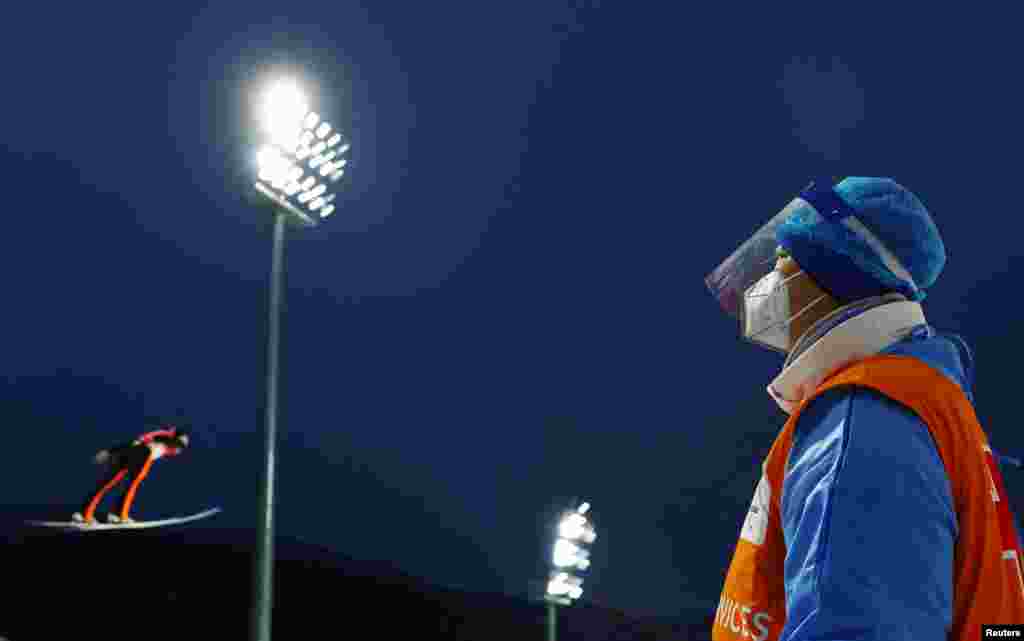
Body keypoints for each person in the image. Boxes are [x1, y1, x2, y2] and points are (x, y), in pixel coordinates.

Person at [704, 177, 1024, 640]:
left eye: (783, 258)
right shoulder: (929, 403)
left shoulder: (864, 416)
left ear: (829, 275)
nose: (770, 280)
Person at [72, 425, 190, 524]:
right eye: (180, 445)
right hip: (143, 453)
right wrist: (110, 452)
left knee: (108, 483)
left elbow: (135, 441)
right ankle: (119, 515)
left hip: (130, 450)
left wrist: (110, 451)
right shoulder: (165, 439)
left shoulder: (162, 440)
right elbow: (161, 437)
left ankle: (84, 514)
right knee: (132, 485)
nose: (179, 450)